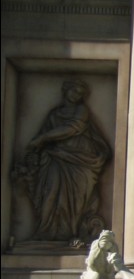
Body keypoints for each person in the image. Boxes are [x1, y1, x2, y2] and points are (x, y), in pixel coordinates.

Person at [16, 79, 111, 243]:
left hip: (81, 161)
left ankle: (71, 233)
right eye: (74, 91)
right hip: (55, 159)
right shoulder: (54, 114)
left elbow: (73, 128)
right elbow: (41, 139)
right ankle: (47, 231)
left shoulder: (81, 111)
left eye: (80, 93)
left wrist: (43, 138)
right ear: (65, 91)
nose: (76, 95)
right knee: (49, 193)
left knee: (77, 200)